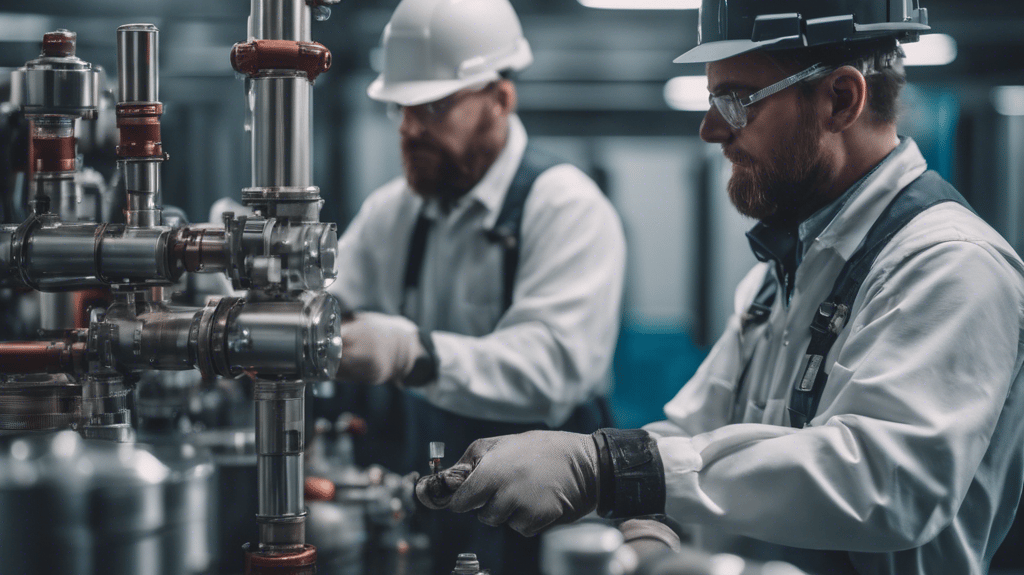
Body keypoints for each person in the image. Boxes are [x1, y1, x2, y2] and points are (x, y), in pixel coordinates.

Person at [414, 1, 1024, 573]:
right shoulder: (781, 274)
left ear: (840, 99)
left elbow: (886, 482)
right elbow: (691, 437)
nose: (709, 129)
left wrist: (605, 469)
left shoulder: (948, 264)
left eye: (735, 101)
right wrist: (642, 516)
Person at [326, 0, 626, 572]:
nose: (411, 127)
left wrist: (414, 353)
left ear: (501, 100)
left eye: (434, 106)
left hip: (549, 515)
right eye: (401, 108)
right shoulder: (395, 212)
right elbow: (333, 297)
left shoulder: (566, 207)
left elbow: (553, 370)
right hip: (433, 503)